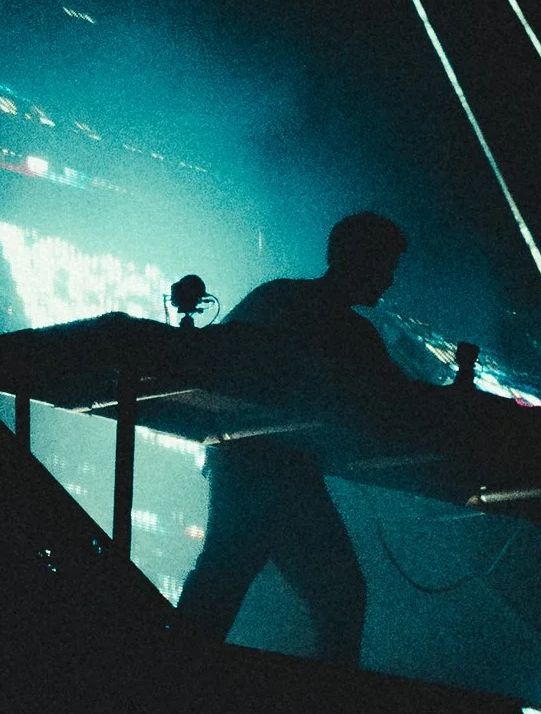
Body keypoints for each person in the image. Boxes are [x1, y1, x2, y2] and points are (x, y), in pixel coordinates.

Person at [171, 211, 427, 669]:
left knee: (226, 577)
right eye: (385, 265)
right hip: (273, 470)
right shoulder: (350, 332)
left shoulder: (280, 299)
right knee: (338, 594)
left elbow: (215, 360)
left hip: (247, 461)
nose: (389, 280)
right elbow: (398, 401)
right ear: (359, 260)